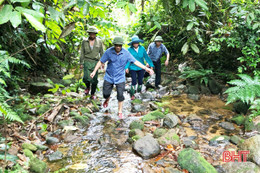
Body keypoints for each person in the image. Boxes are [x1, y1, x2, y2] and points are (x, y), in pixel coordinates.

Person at [90, 36, 154, 119]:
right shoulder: (109, 52)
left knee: (120, 95)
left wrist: (146, 68)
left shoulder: (126, 53)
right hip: (109, 76)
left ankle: (119, 112)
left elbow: (135, 62)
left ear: (121, 45)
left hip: (120, 77)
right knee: (105, 94)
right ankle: (107, 98)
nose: (118, 47)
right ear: (114, 45)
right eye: (116, 45)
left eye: (119, 45)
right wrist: (94, 71)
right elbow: (101, 61)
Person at [125, 36, 154, 100]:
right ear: (132, 43)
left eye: (137, 42)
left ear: (138, 43)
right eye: (134, 43)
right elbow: (128, 59)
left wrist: (151, 65)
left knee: (140, 81)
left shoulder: (142, 48)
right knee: (134, 81)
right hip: (132, 67)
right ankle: (132, 95)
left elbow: (146, 57)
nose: (136, 44)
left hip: (141, 67)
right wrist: (126, 67)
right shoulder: (129, 50)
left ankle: (138, 93)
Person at [80, 26, 104, 99]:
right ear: (89, 34)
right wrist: (81, 63)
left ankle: (92, 93)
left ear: (95, 34)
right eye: (91, 34)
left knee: (94, 79)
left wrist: (102, 63)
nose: (92, 35)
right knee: (86, 77)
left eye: (93, 34)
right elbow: (82, 53)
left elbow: (102, 52)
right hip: (87, 61)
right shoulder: (84, 42)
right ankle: (87, 87)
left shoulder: (99, 41)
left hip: (95, 62)